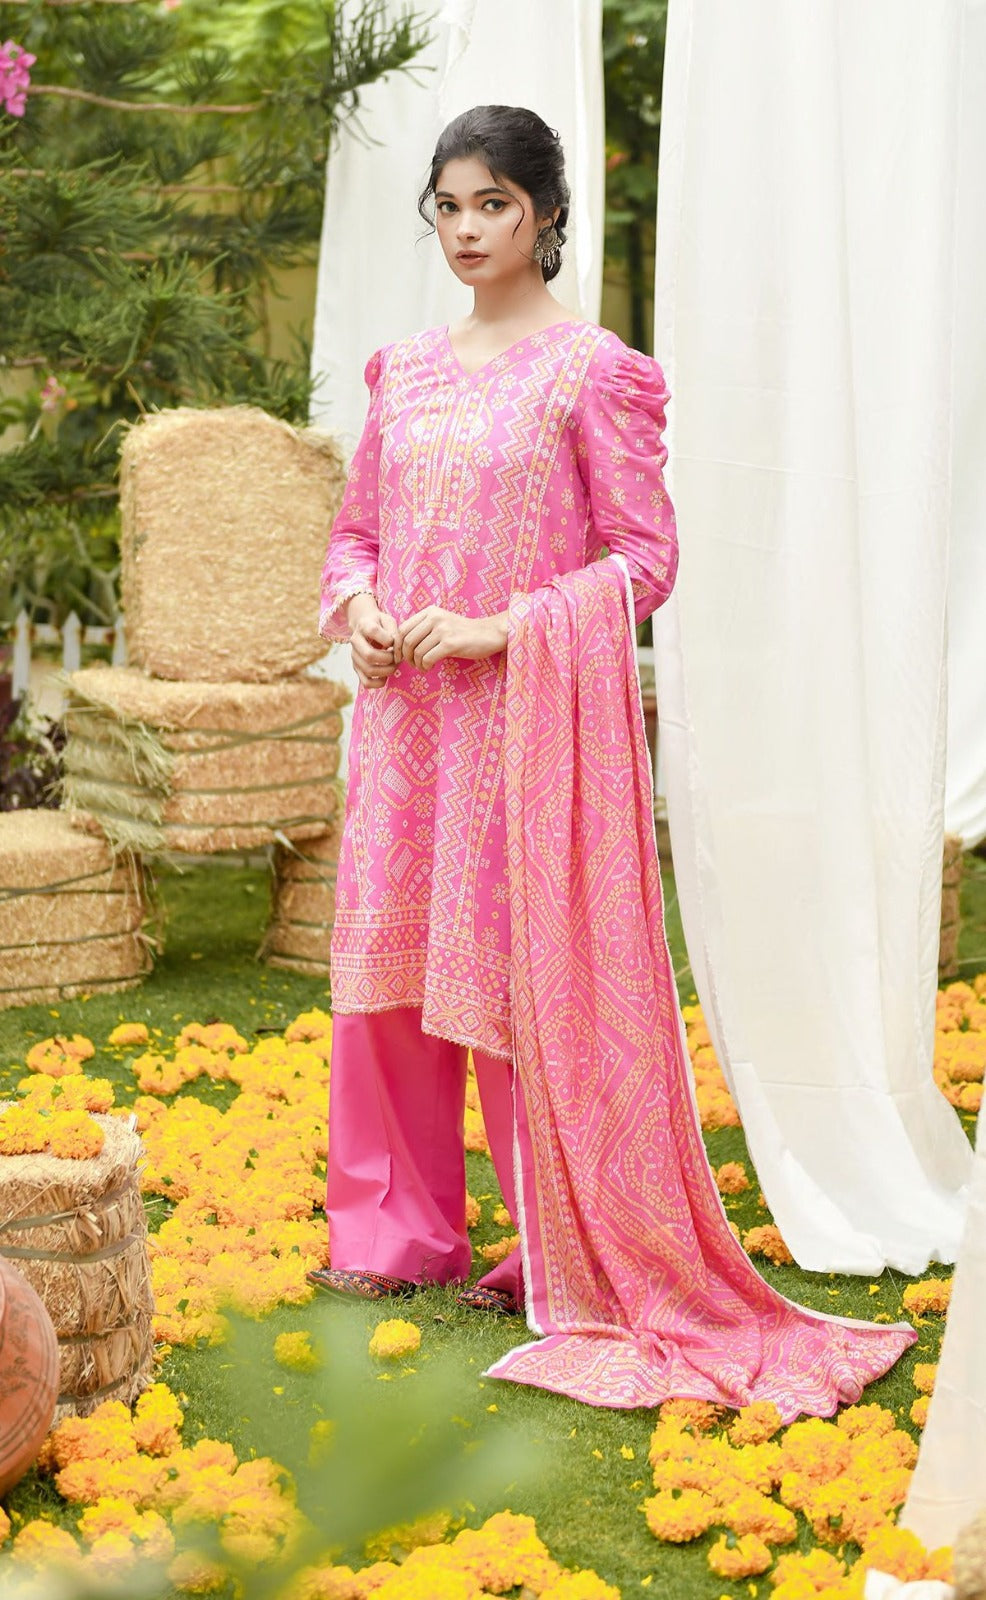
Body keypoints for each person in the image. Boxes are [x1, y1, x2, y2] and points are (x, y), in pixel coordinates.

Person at [310, 105, 916, 1415]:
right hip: (407, 726)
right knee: (389, 976)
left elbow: (646, 561)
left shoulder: (592, 371)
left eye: (493, 207)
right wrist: (355, 612)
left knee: (516, 980)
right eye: (448, 208)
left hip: (518, 729)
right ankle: (390, 1232)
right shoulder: (400, 370)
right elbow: (354, 534)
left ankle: (556, 1237)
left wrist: (499, 628)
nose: (466, 231)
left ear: (543, 213)